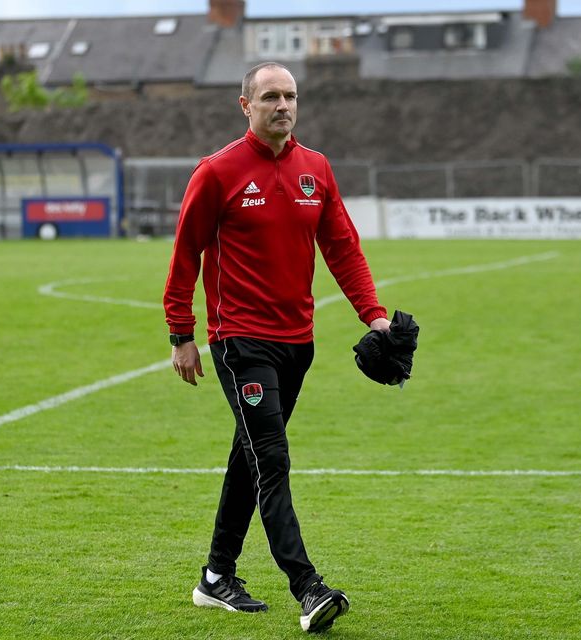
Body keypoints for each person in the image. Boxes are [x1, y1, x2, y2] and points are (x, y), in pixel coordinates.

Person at [163, 62, 390, 634]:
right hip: (240, 341)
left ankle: (216, 578)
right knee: (273, 457)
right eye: (270, 96)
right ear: (246, 105)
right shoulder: (217, 173)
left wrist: (376, 317)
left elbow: (343, 248)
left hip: (299, 343)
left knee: (251, 455)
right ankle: (308, 586)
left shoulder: (316, 169)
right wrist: (181, 333)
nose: (282, 104)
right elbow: (184, 254)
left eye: (290, 95)